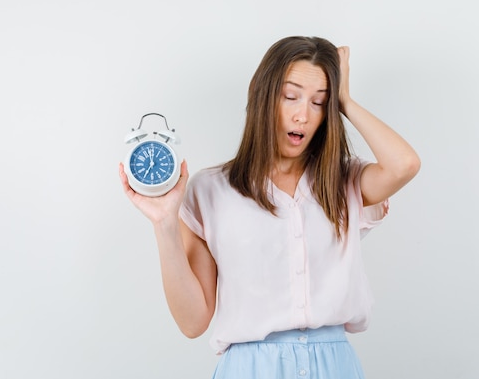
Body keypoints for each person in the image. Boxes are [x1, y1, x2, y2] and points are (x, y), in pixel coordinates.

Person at [119, 36, 420, 379]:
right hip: (249, 369)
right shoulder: (211, 189)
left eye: (320, 102)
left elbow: (404, 165)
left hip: (335, 367)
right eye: (290, 97)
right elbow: (192, 322)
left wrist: (346, 100)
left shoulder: (343, 181)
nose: (302, 114)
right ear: (263, 97)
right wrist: (164, 224)